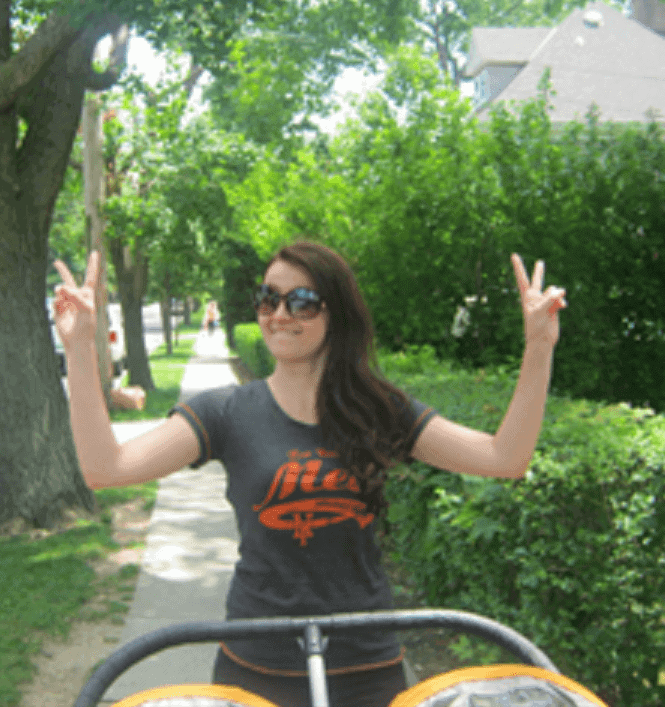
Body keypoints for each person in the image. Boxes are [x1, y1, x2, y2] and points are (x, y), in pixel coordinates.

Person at [53, 241, 566, 707]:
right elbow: (105, 468)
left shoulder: (380, 411)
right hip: (256, 665)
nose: (279, 314)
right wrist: (79, 350)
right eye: (268, 299)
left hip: (368, 663)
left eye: (302, 301)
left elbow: (505, 458)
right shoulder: (224, 412)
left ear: (336, 315)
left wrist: (538, 347)